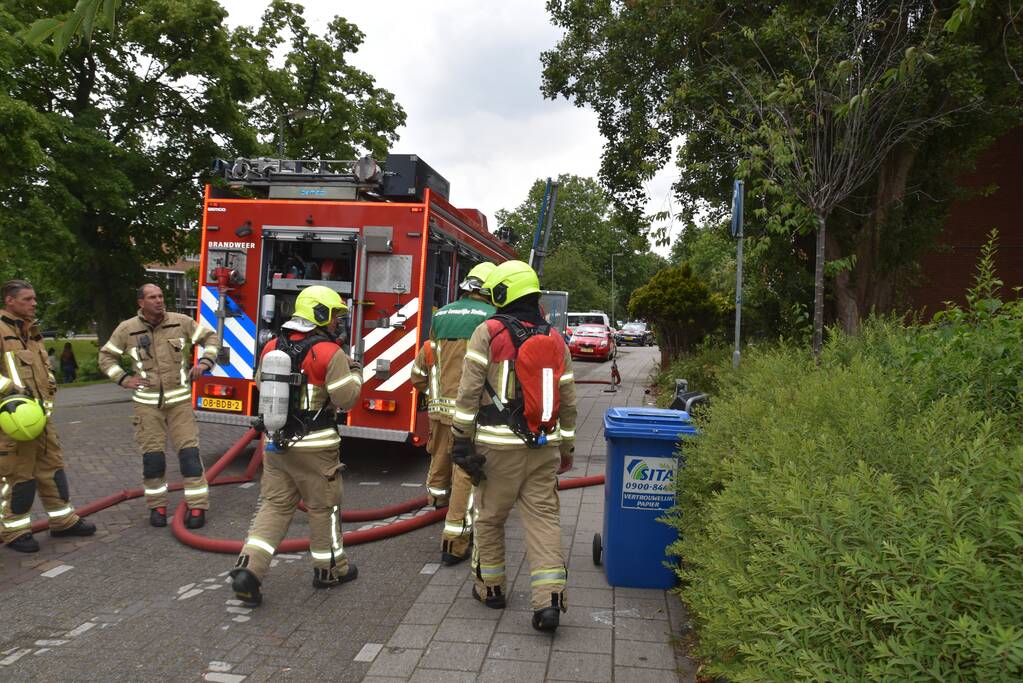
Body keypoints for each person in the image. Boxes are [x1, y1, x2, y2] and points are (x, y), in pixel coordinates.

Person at [450, 260, 577, 632]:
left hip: (495, 449)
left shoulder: (487, 332)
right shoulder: (555, 338)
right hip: (543, 448)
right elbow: (568, 401)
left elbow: (469, 390)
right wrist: (566, 448)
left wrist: (460, 437)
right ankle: (549, 602)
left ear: (503, 292)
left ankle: (491, 589)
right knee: (543, 522)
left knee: (489, 518)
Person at [230, 285, 363, 607]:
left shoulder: (272, 346)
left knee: (273, 506)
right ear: (319, 314)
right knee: (323, 508)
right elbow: (347, 399)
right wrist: (355, 370)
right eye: (333, 316)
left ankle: (250, 568)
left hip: (276, 442)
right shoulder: (330, 353)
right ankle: (330, 569)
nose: (336, 324)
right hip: (316, 448)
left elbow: (263, 384)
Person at [97, 284, 221, 529]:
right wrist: (124, 379)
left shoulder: (180, 322)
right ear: (141, 303)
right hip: (147, 406)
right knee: (153, 460)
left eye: (161, 296)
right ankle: (158, 507)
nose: (159, 300)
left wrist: (205, 362)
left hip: (179, 405)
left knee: (189, 457)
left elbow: (211, 337)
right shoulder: (127, 329)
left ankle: (197, 507)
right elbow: (106, 357)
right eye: (152, 297)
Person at [0, 279, 96, 552]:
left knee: (52, 470)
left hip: (40, 421)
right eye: (28, 299)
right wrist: (9, 390)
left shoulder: (32, 332)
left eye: (34, 299)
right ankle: (15, 532)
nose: (34, 303)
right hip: (13, 423)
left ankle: (63, 521)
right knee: (18, 476)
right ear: (10, 300)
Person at [410, 262, 496, 566]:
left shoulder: (442, 314)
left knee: (441, 456)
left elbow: (426, 363)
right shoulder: (490, 318)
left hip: (440, 407)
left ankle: (436, 500)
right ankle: (455, 540)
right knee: (465, 470)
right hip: (469, 409)